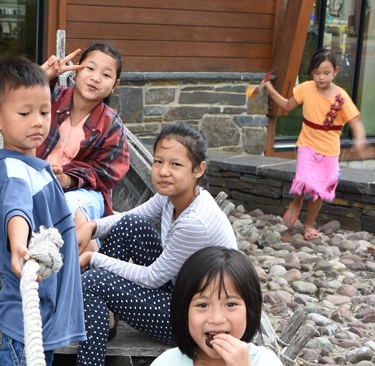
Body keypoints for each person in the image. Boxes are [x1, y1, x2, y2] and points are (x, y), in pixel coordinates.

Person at [75, 123, 238, 366]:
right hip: (181, 293)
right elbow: (131, 217)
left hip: (196, 321)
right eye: (158, 162)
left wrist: (93, 258)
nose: (163, 171)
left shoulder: (196, 222)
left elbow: (152, 278)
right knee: (130, 225)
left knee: (93, 280)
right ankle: (103, 316)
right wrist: (92, 227)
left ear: (198, 169)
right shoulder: (173, 196)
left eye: (176, 164)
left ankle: (91, 358)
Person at [0, 56, 86, 365]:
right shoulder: (15, 169)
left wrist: (45, 75)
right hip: (29, 308)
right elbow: (18, 210)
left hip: (45, 306)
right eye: (25, 114)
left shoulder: (34, 165)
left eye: (44, 111)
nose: (38, 122)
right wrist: (18, 244)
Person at [263, 48, 367, 241]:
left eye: (326, 73)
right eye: (317, 73)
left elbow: (355, 122)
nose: (321, 77)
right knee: (303, 177)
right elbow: (287, 105)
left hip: (329, 149)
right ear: (311, 72)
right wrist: (270, 89)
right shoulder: (306, 88)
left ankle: (309, 224)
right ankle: (296, 202)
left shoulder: (341, 96)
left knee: (320, 190)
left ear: (335, 71)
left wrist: (360, 139)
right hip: (307, 142)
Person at [38, 42, 130, 254]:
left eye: (106, 75)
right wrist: (42, 76)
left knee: (68, 205)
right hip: (37, 182)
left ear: (115, 84)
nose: (96, 78)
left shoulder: (111, 125)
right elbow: (17, 102)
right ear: (77, 69)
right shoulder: (50, 97)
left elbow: (107, 174)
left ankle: (88, 270)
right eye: (90, 68)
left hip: (84, 193)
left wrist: (68, 180)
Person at [151, 246, 282, 365]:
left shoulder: (265, 361)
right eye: (202, 305)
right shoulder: (167, 362)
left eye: (230, 304)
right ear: (183, 311)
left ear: (250, 309)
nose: (217, 319)